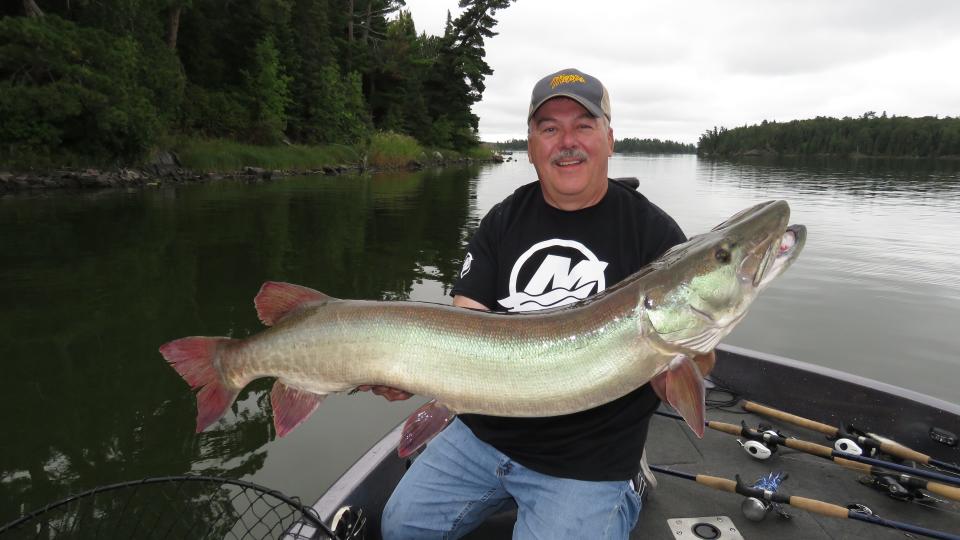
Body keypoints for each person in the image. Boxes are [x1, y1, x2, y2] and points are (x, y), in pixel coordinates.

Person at [366, 68, 715, 539]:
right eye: (549, 128)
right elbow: (465, 322)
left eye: (583, 126)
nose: (566, 141)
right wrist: (409, 369)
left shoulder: (654, 234)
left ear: (610, 139)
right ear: (530, 145)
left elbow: (684, 376)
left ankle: (629, 482)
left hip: (590, 456)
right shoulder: (502, 219)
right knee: (402, 526)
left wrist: (690, 349)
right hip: (482, 435)